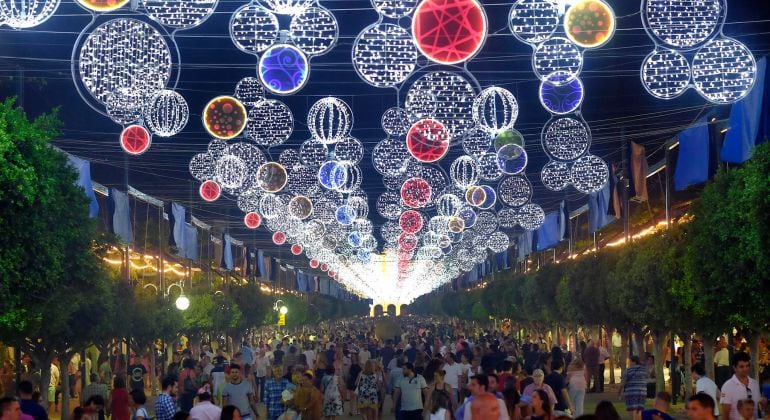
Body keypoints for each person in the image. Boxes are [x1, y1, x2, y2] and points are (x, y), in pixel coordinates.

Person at [721, 352, 764, 420]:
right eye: (741, 366)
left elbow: (758, 407)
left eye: (747, 366)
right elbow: (725, 414)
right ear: (734, 368)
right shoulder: (727, 386)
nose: (745, 369)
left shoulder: (755, 384)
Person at [620, 356, 648, 420]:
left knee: (632, 409)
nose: (629, 363)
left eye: (630, 361)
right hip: (642, 392)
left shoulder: (628, 370)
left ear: (633, 362)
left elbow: (623, 383)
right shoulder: (644, 370)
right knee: (639, 410)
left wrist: (619, 392)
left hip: (631, 392)